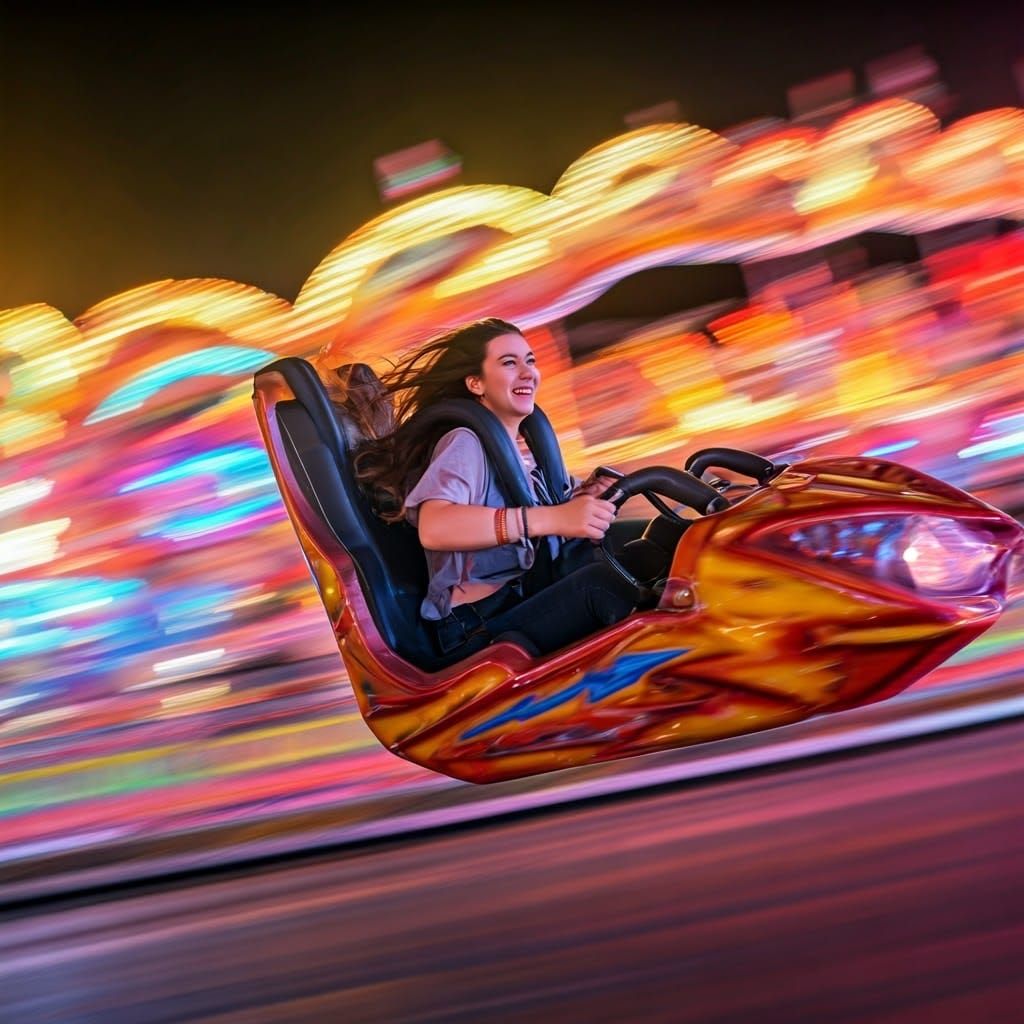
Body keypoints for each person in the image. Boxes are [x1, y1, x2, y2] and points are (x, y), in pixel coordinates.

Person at [354, 317, 647, 660]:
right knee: (602, 586)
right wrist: (551, 519)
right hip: (475, 625)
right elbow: (436, 527)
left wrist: (586, 499)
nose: (527, 372)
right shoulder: (464, 443)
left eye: (530, 361)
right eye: (509, 363)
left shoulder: (520, 450)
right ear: (476, 383)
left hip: (523, 596)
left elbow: (554, 518)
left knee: (648, 544)